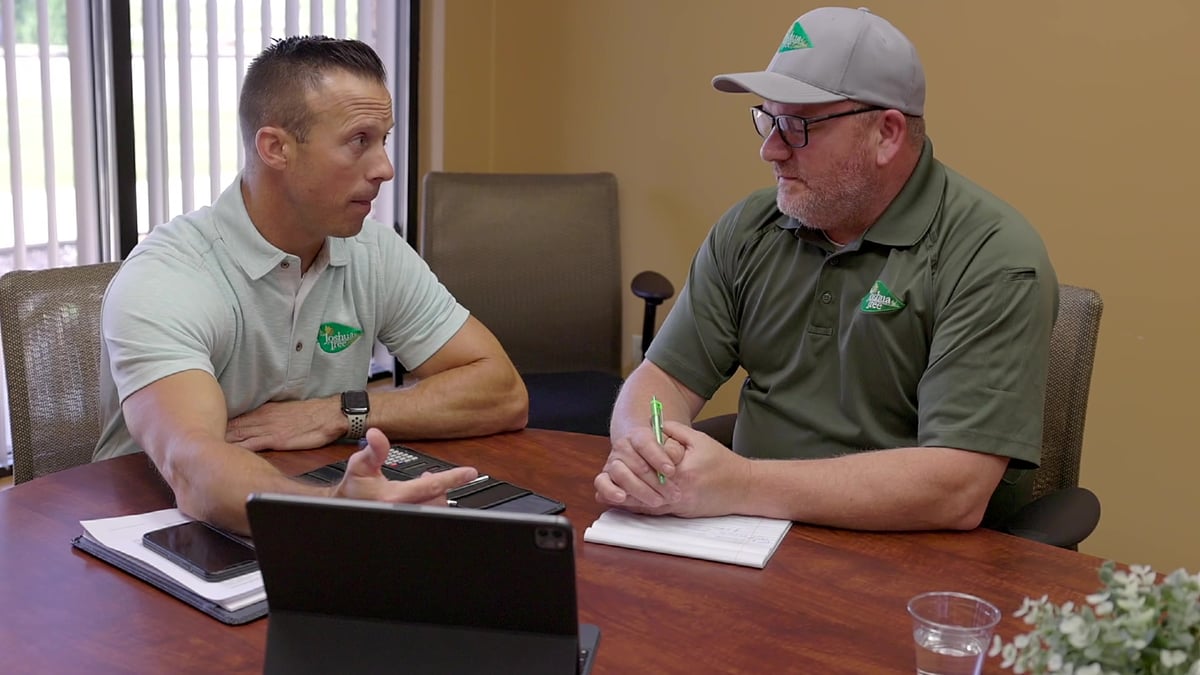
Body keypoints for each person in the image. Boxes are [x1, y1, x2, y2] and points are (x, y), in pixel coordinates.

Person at [594, 7, 1058, 531]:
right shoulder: (752, 227)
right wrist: (644, 451)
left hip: (914, 564)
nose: (770, 149)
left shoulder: (992, 255)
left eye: (797, 126)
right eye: (767, 119)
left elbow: (956, 488)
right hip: (743, 535)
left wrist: (740, 483)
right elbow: (665, 381)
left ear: (886, 134)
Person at [95, 36, 528, 533]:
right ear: (276, 147)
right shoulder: (169, 277)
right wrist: (333, 508)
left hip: (300, 510)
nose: (385, 168)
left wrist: (340, 414)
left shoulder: (373, 253)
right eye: (359, 141)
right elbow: (193, 470)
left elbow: (503, 393)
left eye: (384, 139)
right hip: (153, 537)